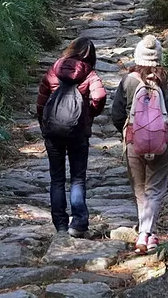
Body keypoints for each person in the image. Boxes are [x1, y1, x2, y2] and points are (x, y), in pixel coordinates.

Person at [112, 35, 168, 254]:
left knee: (140, 189)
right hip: (161, 143)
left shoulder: (129, 80)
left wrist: (127, 130)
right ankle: (148, 234)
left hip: (134, 140)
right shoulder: (166, 81)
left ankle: (144, 233)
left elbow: (116, 113)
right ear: (159, 57)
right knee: (156, 189)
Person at [37, 37, 107, 238]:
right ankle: (78, 223)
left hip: (53, 132)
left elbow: (41, 99)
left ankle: (59, 224)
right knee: (78, 178)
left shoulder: (54, 70)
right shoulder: (89, 73)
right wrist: (90, 113)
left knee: (57, 178)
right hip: (78, 132)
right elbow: (100, 96)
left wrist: (44, 122)